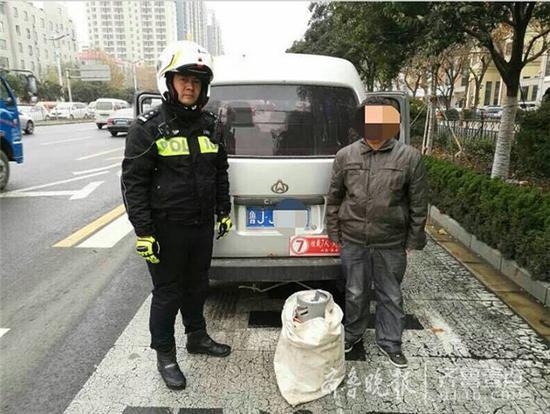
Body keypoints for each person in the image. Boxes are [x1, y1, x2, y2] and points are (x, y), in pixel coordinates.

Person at [121, 40, 232, 390]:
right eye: (183, 79)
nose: (189, 87)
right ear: (168, 82)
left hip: (201, 225)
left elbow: (220, 171)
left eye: (196, 81)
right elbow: (133, 184)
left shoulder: (211, 125)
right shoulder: (148, 127)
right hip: (165, 229)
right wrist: (144, 232)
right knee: (168, 293)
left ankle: (196, 336)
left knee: (198, 285)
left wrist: (223, 210)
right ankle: (165, 355)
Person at [326, 96, 428, 368]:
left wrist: (413, 240)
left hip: (391, 241)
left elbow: (418, 204)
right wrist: (334, 233)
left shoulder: (410, 157)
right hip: (353, 239)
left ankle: (390, 342)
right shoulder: (345, 156)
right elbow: (334, 198)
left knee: (390, 295)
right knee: (355, 292)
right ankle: (353, 334)